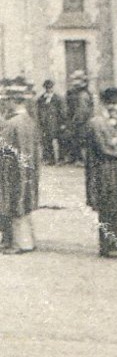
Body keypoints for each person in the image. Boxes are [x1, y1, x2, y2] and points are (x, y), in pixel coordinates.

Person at [84, 86, 117, 257]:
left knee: (116, 206)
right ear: (105, 104)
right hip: (103, 170)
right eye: (112, 103)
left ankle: (114, 242)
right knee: (106, 207)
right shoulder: (97, 122)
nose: (115, 107)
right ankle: (107, 245)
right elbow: (104, 147)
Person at [0, 81, 42, 254]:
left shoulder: (11, 124)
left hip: (11, 170)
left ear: (12, 101)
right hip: (28, 169)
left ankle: (17, 243)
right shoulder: (29, 121)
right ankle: (25, 241)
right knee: (23, 203)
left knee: (12, 203)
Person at [63, 71, 92, 165]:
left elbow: (82, 110)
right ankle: (77, 158)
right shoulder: (75, 93)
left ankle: (81, 159)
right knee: (76, 139)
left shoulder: (83, 94)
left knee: (81, 140)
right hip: (77, 120)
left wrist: (76, 120)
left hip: (81, 122)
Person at [35, 80, 64, 165]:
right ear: (45, 88)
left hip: (56, 123)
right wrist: (40, 121)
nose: (49, 89)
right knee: (46, 141)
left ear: (53, 88)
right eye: (47, 88)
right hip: (45, 123)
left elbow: (62, 111)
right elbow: (38, 111)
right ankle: (49, 159)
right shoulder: (41, 98)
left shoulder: (58, 98)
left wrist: (62, 123)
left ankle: (61, 159)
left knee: (60, 141)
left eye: (50, 87)